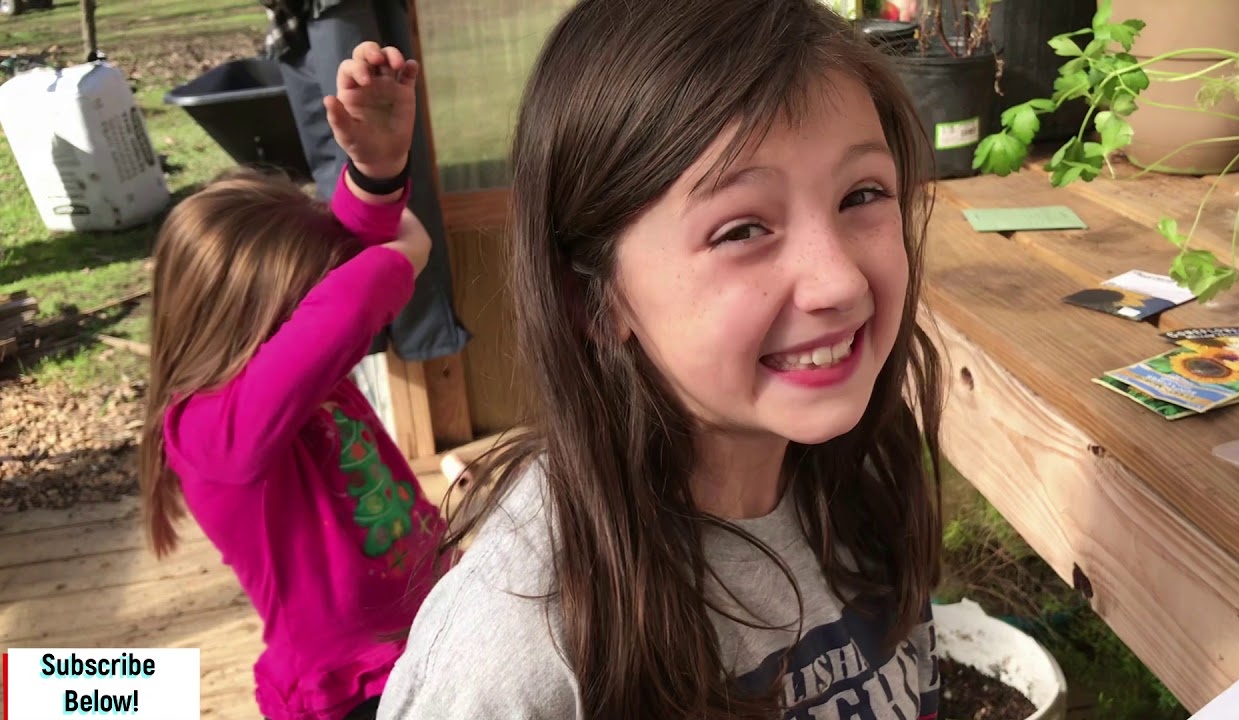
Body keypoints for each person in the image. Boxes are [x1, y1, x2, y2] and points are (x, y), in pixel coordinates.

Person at [377, 0, 947, 718]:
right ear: (592, 299)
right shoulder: (519, 653)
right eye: (742, 228)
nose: (838, 281)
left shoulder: (864, 472)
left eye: (862, 194)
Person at [139, 43, 452, 720]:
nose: (323, 300)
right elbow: (347, 300)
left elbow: (347, 263)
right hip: (355, 693)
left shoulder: (293, 375)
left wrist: (376, 172)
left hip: (432, 632)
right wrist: (406, 256)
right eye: (305, 293)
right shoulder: (210, 433)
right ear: (250, 313)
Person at [261, 0, 471, 366]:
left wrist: (380, 172)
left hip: (337, 7)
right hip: (297, 13)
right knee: (337, 160)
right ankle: (368, 338)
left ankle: (417, 337)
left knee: (357, 142)